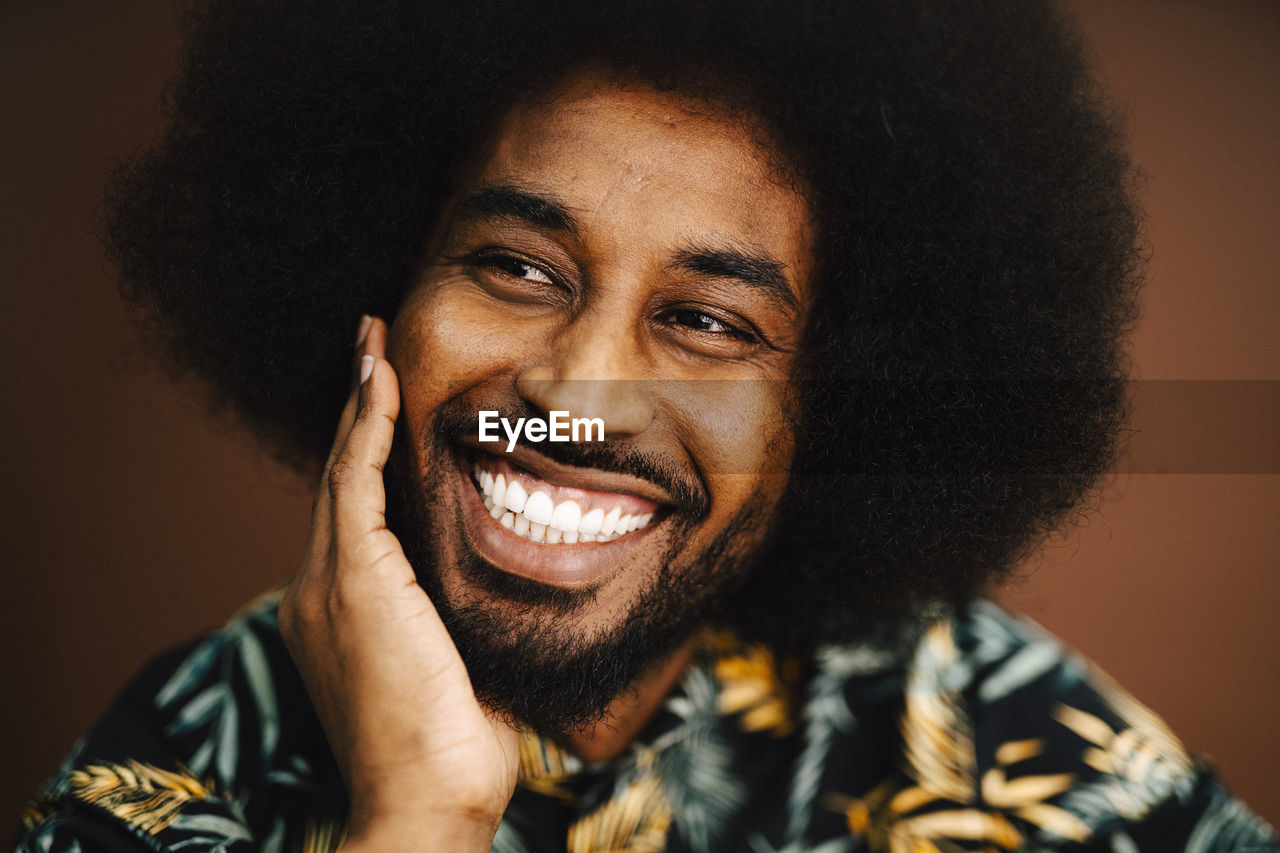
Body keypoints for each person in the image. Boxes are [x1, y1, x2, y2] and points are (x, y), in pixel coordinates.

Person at [15, 0, 1278, 850]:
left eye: (710, 323)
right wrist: (420, 817)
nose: (574, 398)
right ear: (376, 296)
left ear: (821, 412)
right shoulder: (178, 763)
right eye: (516, 267)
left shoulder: (984, 727)